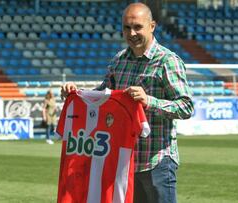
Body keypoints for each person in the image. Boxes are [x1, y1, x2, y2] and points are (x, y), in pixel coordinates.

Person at [61, 2, 194, 203]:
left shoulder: (168, 61)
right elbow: (102, 97)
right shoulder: (118, 61)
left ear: (152, 26)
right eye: (126, 27)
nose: (132, 33)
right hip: (123, 163)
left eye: (138, 27)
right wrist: (76, 93)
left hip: (156, 161)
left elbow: (186, 106)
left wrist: (149, 101)